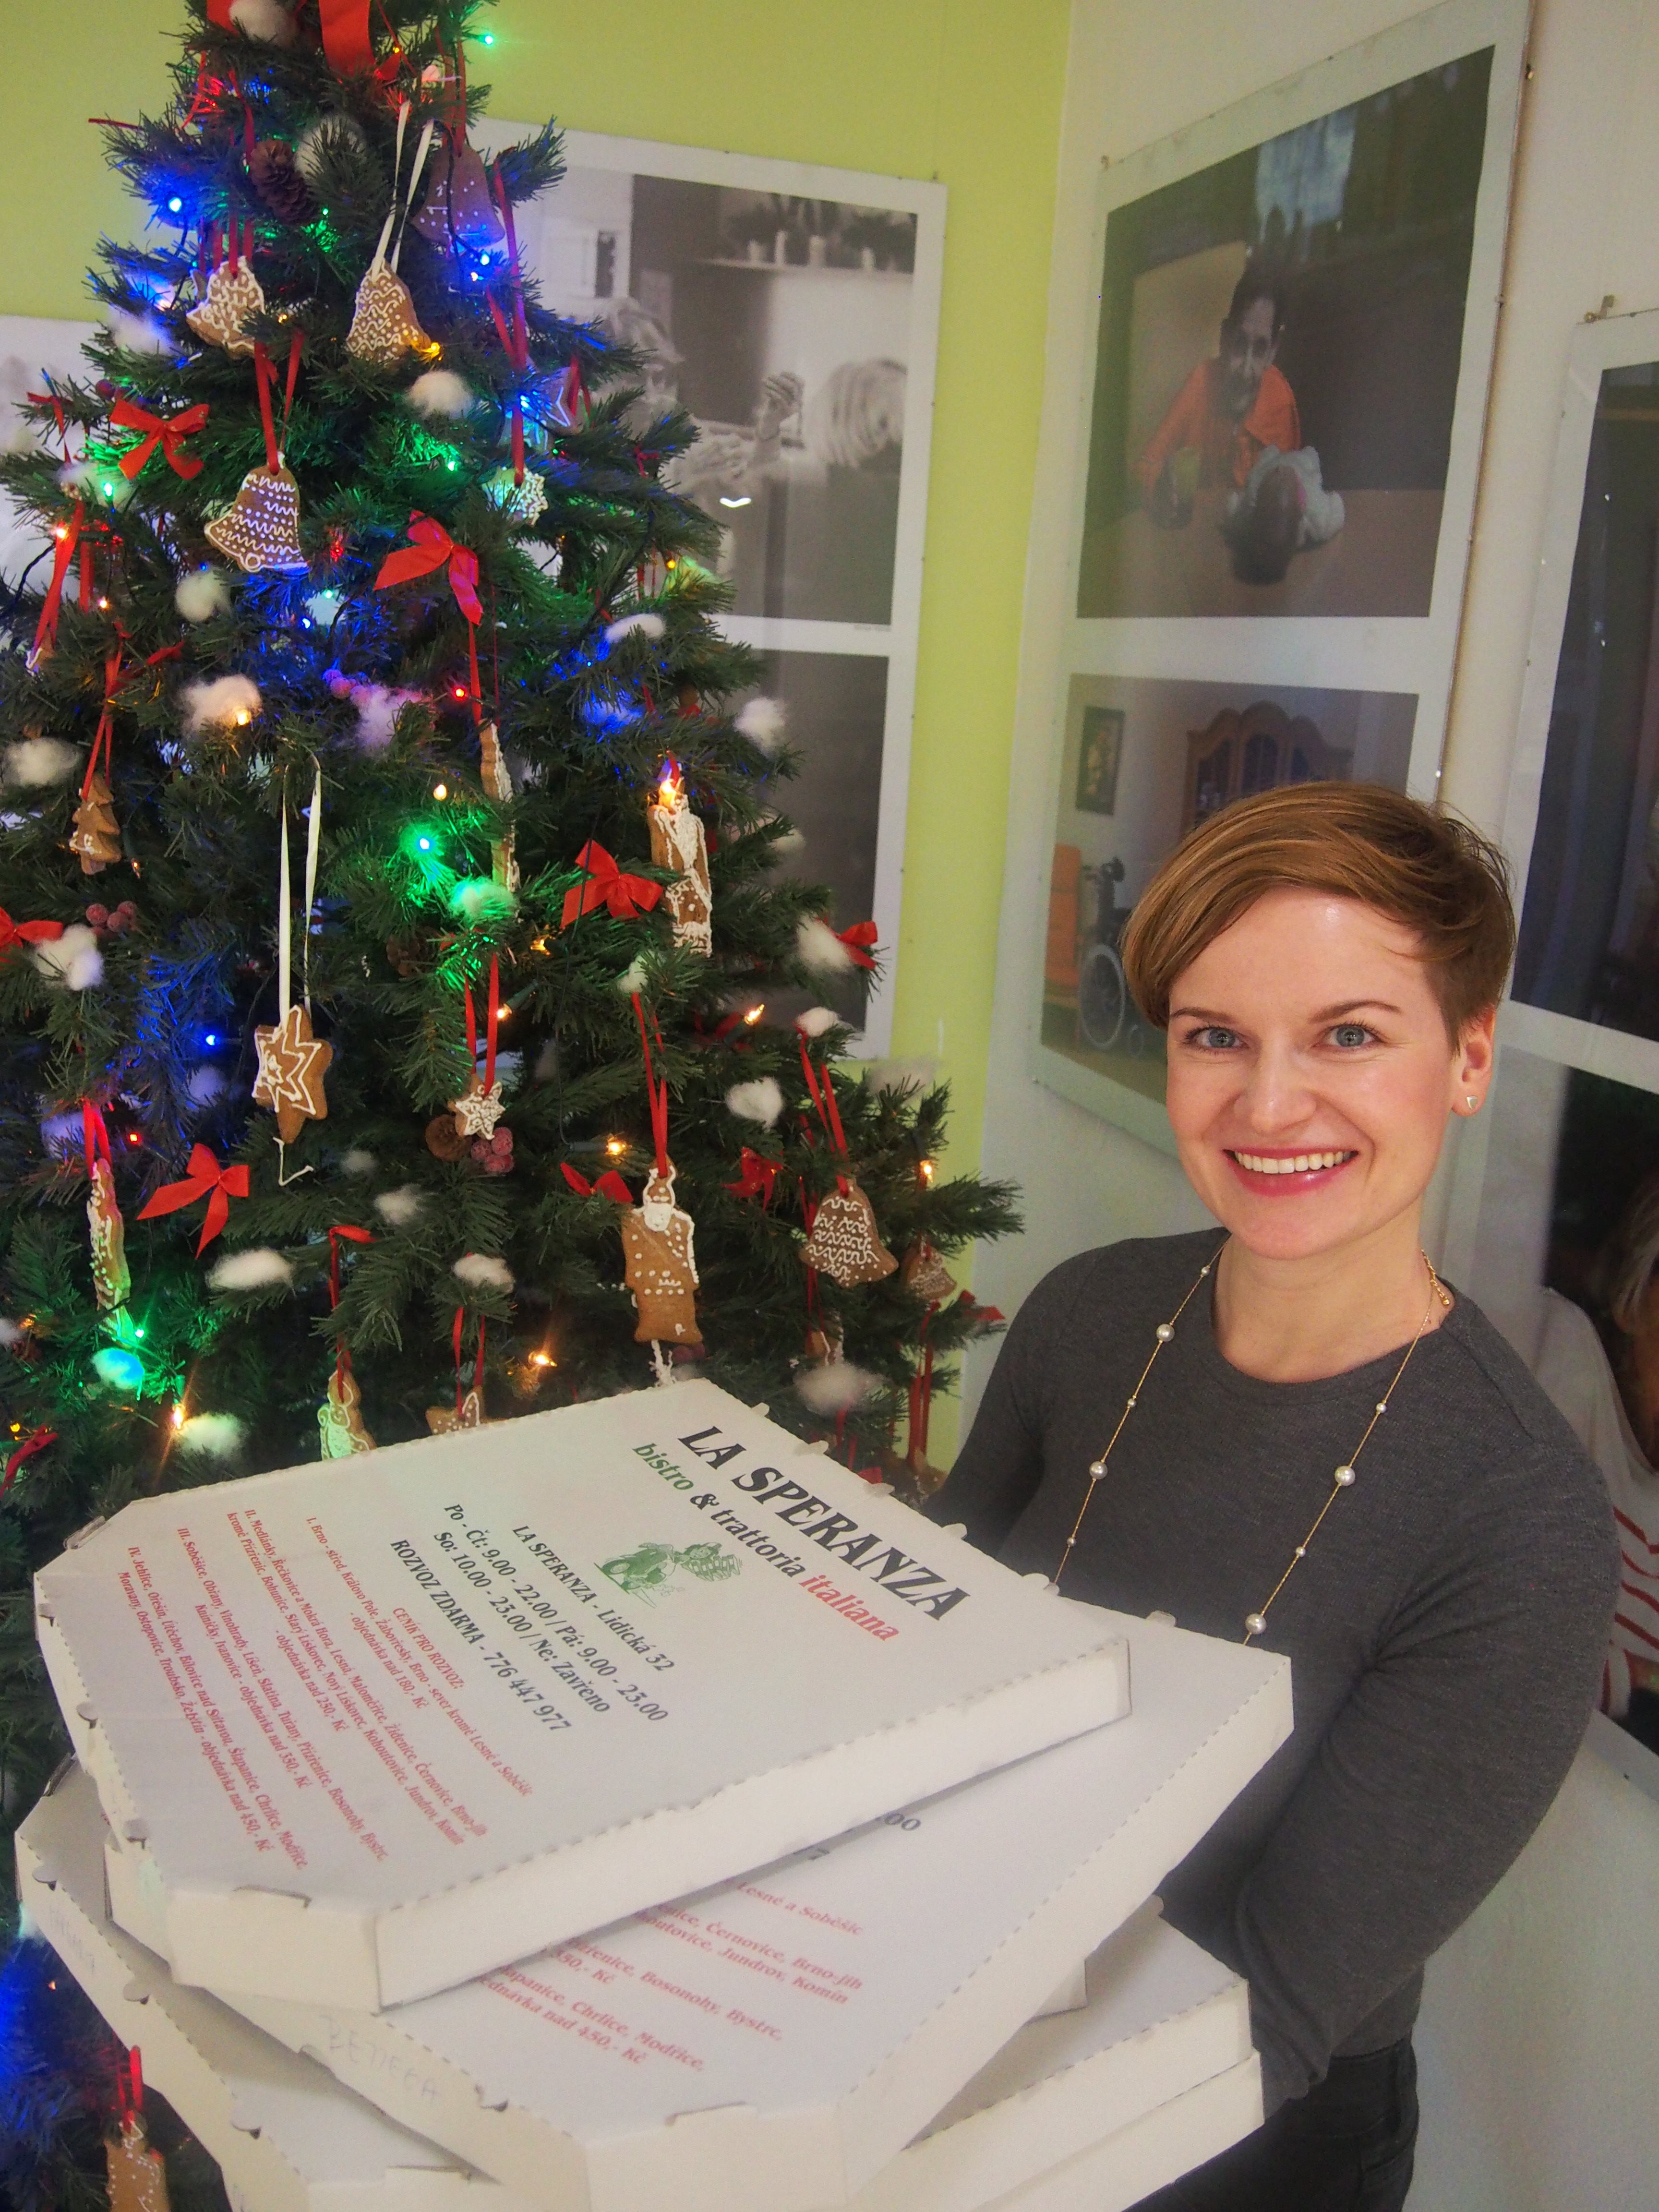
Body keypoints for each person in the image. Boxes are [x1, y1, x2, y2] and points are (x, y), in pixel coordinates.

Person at [937, 784, 1616, 2212]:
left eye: (1348, 1036)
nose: (1265, 1105)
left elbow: (1270, 2006)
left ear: (1469, 1056)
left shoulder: (1519, 1520)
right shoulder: (1088, 1314)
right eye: (1214, 1037)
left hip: (1235, 2133)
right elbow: (933, 1660)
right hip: (951, 1990)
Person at [1136, 264, 1301, 526]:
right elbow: (1146, 465)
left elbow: (1290, 501)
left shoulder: (1281, 402)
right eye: (1239, 344)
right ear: (1224, 338)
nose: (1245, 371)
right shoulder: (1200, 382)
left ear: (1273, 351)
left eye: (1260, 350)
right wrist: (1161, 484)